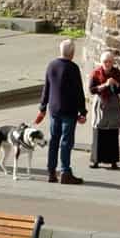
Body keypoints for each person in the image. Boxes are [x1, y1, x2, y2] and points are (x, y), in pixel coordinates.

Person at [33, 38, 86, 185]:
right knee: (66, 142)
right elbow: (78, 91)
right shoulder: (73, 68)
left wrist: (42, 108)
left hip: (54, 109)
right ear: (73, 53)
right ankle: (65, 172)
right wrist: (83, 112)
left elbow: (46, 88)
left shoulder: (51, 65)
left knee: (54, 140)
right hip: (69, 110)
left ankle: (51, 172)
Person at [89, 51, 120, 169]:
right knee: (99, 130)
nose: (107, 64)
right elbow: (92, 89)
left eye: (110, 62)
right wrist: (104, 85)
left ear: (113, 62)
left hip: (113, 105)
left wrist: (115, 83)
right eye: (105, 62)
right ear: (101, 62)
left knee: (112, 131)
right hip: (101, 104)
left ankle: (113, 161)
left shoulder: (117, 74)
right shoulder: (96, 73)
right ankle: (96, 160)